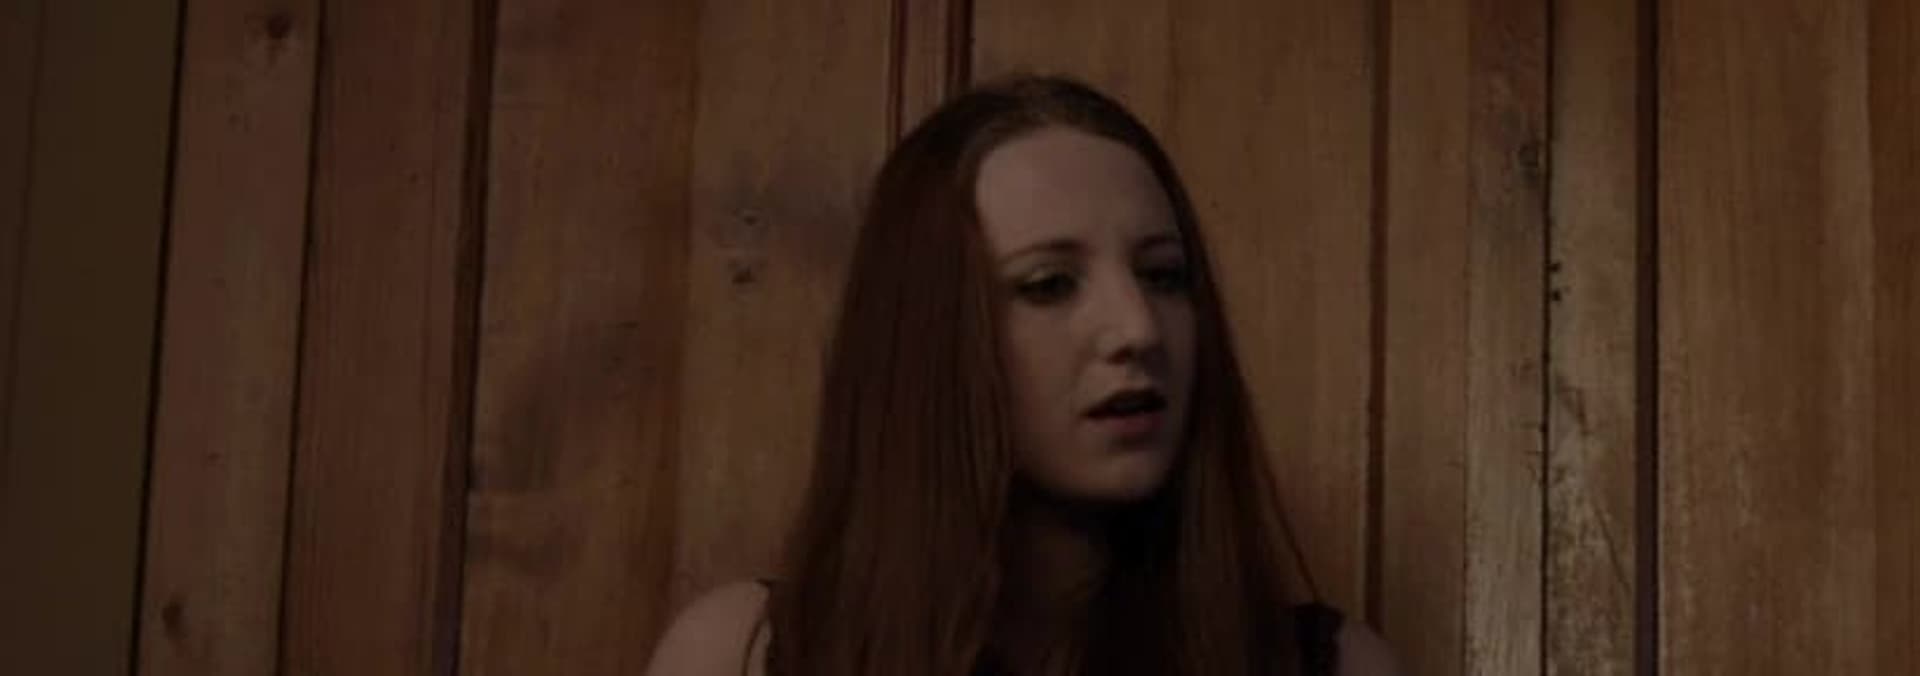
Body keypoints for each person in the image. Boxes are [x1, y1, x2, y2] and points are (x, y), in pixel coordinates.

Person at [645, 75, 1400, 676]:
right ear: (929, 337)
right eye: (1049, 285)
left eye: (1164, 276)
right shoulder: (741, 655)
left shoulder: (1330, 665)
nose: (1138, 330)